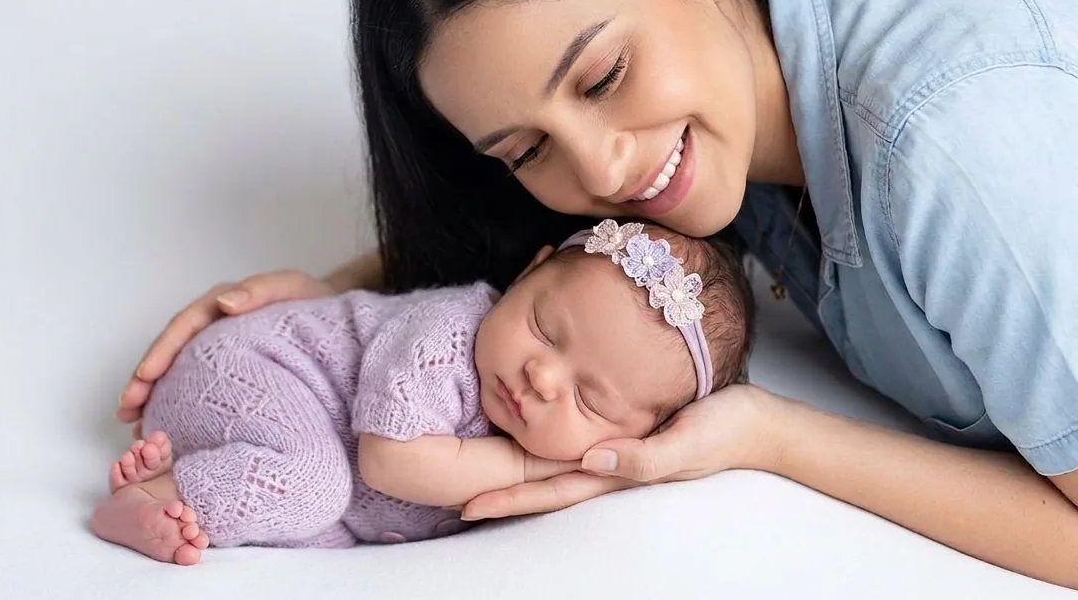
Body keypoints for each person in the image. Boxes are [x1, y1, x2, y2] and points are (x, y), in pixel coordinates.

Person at [117, 0, 1078, 587]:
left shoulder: (948, 150)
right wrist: (331, 293)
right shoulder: (735, 104)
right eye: (527, 147)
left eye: (604, 74)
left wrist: (772, 436)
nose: (605, 176)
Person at [93, 222, 754, 563]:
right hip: (249, 368)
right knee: (316, 487)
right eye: (542, 327)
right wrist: (531, 464)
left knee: (322, 519)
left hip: (270, 430)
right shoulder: (447, 333)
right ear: (528, 271)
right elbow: (388, 460)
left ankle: (193, 467)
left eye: (591, 400)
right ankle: (152, 497)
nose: (542, 377)